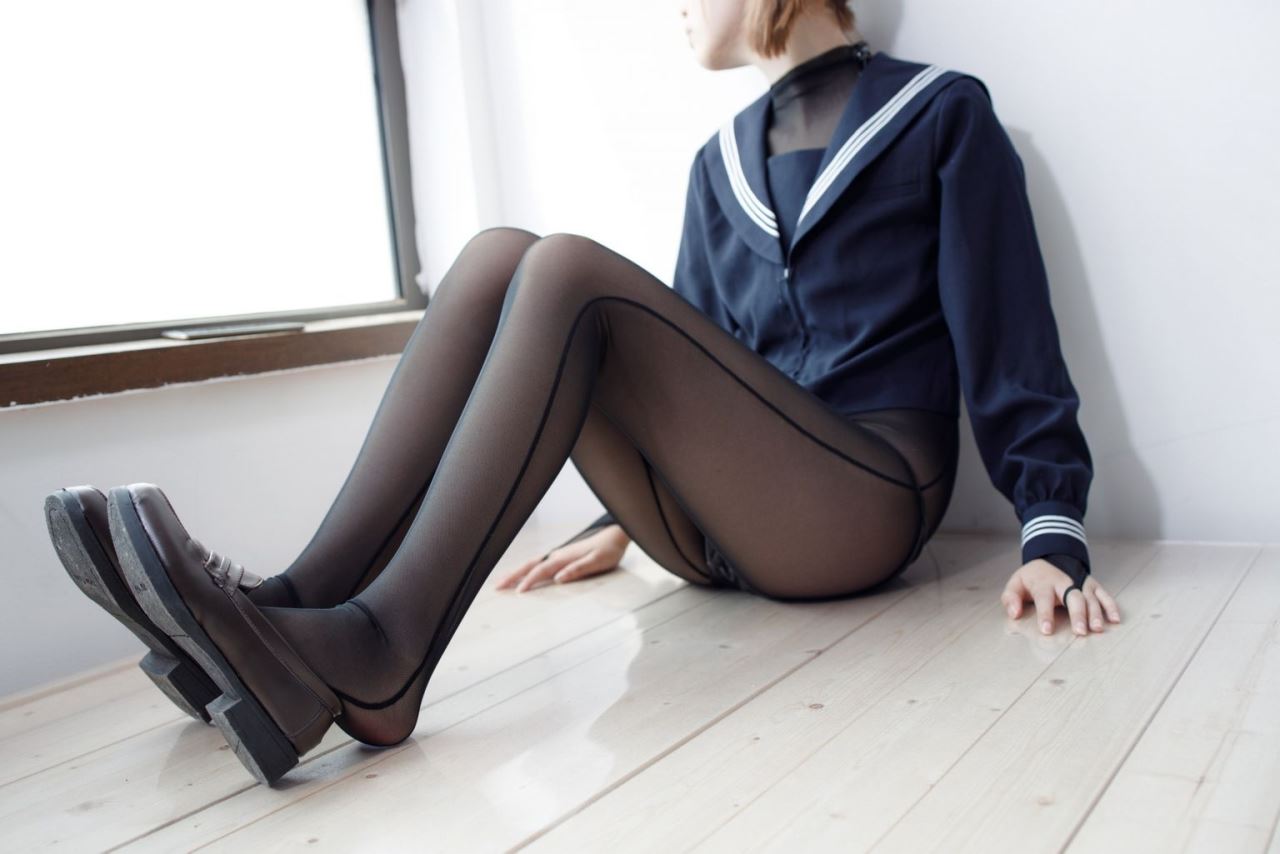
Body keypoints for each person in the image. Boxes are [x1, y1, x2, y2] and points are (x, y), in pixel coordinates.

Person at [46, 0, 1121, 787]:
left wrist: (1052, 528)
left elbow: (1009, 334)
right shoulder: (717, 164)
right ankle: (288, 606)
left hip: (862, 503)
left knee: (563, 268)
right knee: (497, 257)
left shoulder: (940, 113)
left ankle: (381, 648)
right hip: (728, 529)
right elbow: (697, 364)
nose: (672, 9)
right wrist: (620, 520)